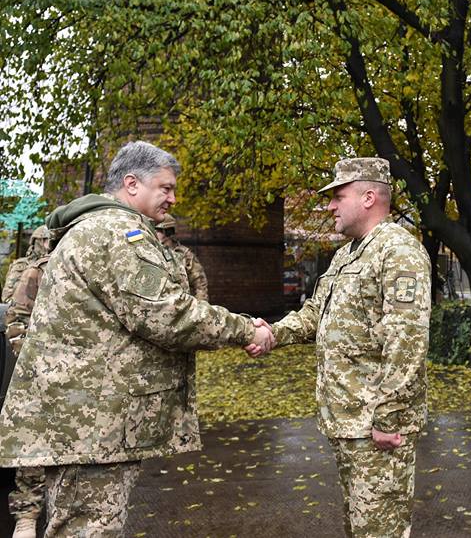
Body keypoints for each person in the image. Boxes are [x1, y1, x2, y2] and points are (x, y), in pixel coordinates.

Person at [0, 140, 275, 537]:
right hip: (92, 422)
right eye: (165, 187)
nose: (173, 198)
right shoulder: (117, 233)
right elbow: (169, 314)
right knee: (88, 529)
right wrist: (247, 329)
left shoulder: (92, 229)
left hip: (86, 419)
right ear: (132, 183)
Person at [251, 157, 431, 538]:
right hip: (350, 422)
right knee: (360, 527)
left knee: (379, 531)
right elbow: (316, 313)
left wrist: (390, 418)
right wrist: (272, 333)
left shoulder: (398, 251)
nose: (330, 205)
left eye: (338, 196)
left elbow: (407, 340)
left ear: (369, 197)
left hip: (377, 428)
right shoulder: (348, 253)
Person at [3, 227, 50, 538]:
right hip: (37, 364)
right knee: (31, 436)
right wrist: (28, 356)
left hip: (83, 372)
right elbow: (13, 312)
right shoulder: (31, 270)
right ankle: (27, 514)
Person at [155, 214, 209, 300]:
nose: (153, 233)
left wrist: (199, 306)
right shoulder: (151, 251)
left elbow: (200, 284)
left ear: (168, 231)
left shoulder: (184, 255)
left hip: (181, 304)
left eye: (157, 230)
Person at [1, 226, 49, 304]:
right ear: (39, 241)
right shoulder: (21, 265)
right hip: (22, 312)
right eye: (47, 241)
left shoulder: (55, 264)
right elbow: (7, 297)